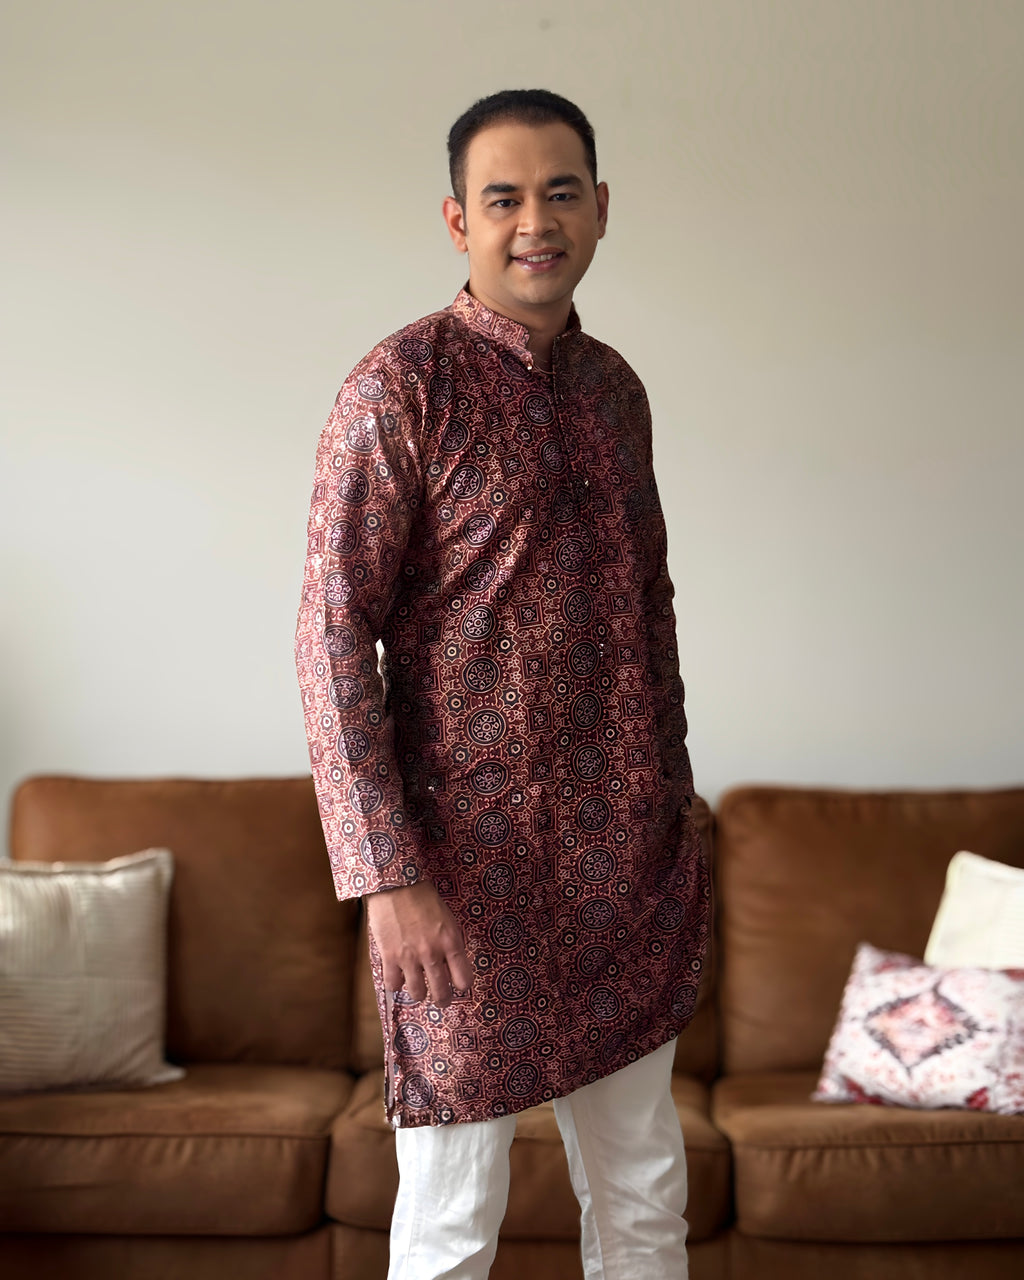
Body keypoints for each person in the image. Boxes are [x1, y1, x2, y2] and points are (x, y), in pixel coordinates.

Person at [295, 88, 711, 1280]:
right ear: (457, 220)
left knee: (643, 1198)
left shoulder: (614, 391)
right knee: (450, 1219)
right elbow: (330, 637)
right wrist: (387, 876)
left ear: (601, 208)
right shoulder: (400, 388)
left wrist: (674, 809)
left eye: (561, 192)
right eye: (505, 197)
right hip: (461, 883)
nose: (537, 221)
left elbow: (648, 608)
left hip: (623, 872)